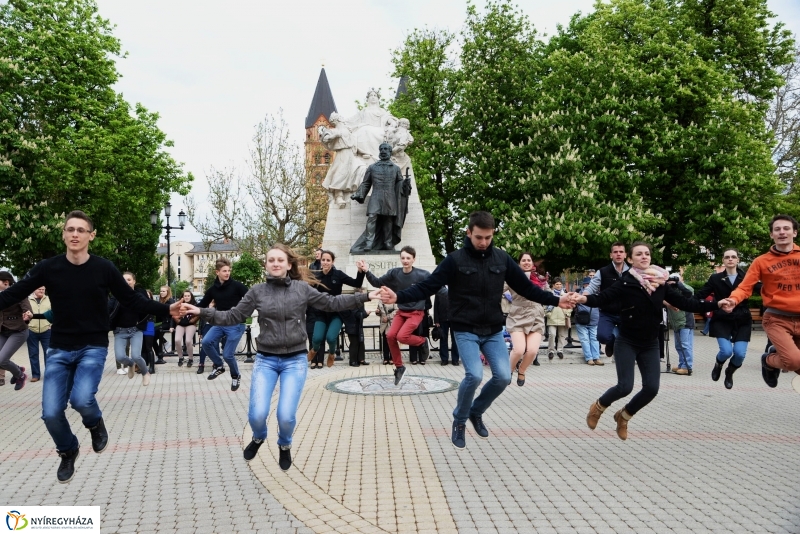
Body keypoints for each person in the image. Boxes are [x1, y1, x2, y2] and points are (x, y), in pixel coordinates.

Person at [0, 211, 181, 483]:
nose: (75, 234)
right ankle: (68, 449)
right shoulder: (49, 267)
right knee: (50, 413)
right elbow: (15, 292)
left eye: (81, 230)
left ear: (90, 236)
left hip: (92, 347)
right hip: (59, 348)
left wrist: (167, 309)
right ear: (63, 234)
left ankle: (94, 423)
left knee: (81, 400)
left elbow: (132, 301)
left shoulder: (104, 268)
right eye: (70, 229)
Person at [379, 211, 574, 450]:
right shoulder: (454, 260)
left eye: (488, 238)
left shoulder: (501, 259)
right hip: (465, 328)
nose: (483, 242)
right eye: (479, 237)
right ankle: (459, 420)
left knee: (503, 377)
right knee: (474, 375)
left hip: (492, 329)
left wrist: (556, 301)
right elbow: (427, 286)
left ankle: (476, 411)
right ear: (469, 233)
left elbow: (526, 288)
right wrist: (399, 296)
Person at [180, 244, 382, 470]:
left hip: (294, 360)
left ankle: (284, 445)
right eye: (271, 260)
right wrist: (202, 311)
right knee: (257, 415)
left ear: (288, 264)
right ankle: (258, 437)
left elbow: (331, 302)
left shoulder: (301, 289)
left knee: (285, 416)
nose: (275, 263)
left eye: (280, 260)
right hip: (266, 359)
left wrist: (365, 297)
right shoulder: (257, 291)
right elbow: (234, 315)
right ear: (266, 265)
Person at [576, 242, 718, 440]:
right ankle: (598, 407)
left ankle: (624, 416)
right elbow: (604, 297)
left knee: (652, 388)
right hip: (627, 340)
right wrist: (584, 299)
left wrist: (717, 304)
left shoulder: (660, 282)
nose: (644, 257)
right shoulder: (626, 281)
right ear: (630, 259)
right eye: (639, 254)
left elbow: (687, 303)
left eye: (647, 254)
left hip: (650, 342)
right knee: (625, 386)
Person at [719, 215, 800, 388]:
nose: (782, 232)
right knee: (793, 361)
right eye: (777, 229)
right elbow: (745, 287)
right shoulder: (761, 261)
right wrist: (733, 299)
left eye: (786, 228)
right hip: (777, 319)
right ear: (772, 235)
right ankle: (769, 361)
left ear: (794, 232)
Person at [357, 246, 430, 382]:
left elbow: (436, 285)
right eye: (403, 258)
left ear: (414, 259)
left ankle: (423, 341)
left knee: (402, 336)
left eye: (408, 258)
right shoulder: (395, 273)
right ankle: (399, 367)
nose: (405, 261)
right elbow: (377, 282)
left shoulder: (422, 274)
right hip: (401, 312)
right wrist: (366, 270)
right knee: (390, 335)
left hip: (416, 312)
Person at [694, 249, 751, 389]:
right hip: (722, 317)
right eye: (727, 257)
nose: (730, 259)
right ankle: (718, 364)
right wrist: (682, 300)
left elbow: (765, 289)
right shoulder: (716, 278)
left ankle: (729, 372)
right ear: (723, 261)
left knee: (739, 354)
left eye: (733, 257)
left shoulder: (748, 277)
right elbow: (700, 294)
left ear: (738, 260)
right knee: (726, 351)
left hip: (742, 318)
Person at [349, 142, 412, 253]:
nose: (383, 151)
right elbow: (366, 183)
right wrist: (358, 193)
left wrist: (405, 184)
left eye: (385, 149)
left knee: (388, 220)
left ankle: (388, 242)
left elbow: (399, 183)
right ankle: (369, 242)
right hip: (376, 196)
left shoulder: (396, 168)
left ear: (389, 152)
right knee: (372, 217)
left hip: (390, 197)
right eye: (381, 149)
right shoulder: (372, 167)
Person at [307, 250, 365, 368]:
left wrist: (360, 271)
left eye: (328, 260)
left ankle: (332, 353)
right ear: (320, 261)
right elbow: (307, 292)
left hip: (337, 313)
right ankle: (314, 350)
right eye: (323, 260)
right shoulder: (316, 276)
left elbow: (357, 283)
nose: (325, 262)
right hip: (321, 313)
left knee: (330, 337)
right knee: (317, 338)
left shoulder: (338, 274)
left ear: (332, 262)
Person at [198, 258, 249, 391]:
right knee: (206, 342)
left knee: (228, 354)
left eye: (228, 271)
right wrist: (187, 309)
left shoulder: (237, 286)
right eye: (224, 271)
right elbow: (202, 305)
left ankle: (235, 375)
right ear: (217, 272)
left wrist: (244, 312)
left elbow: (251, 298)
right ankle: (219, 366)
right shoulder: (213, 290)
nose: (227, 273)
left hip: (235, 324)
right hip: (220, 323)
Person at [505, 253, 547, 386]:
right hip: (517, 316)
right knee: (518, 350)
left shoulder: (540, 279)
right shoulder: (512, 277)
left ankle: (522, 370)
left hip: (536, 316)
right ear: (519, 263)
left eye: (529, 260)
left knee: (533, 351)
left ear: (533, 263)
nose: (527, 262)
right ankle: (509, 370)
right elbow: (496, 288)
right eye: (524, 260)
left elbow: (549, 295)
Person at [586, 242, 630, 357]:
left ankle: (622, 355)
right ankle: (612, 341)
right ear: (611, 255)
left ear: (625, 254)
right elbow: (591, 287)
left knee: (627, 342)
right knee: (602, 336)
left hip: (626, 312)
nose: (618, 254)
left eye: (621, 252)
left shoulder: (632, 272)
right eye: (615, 252)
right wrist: (583, 297)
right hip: (607, 312)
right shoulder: (603, 271)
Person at [109, 272, 152, 386]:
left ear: (134, 281)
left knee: (136, 355)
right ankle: (131, 364)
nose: (126, 282)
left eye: (129, 279)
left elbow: (148, 306)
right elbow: (108, 309)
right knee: (120, 357)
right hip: (119, 331)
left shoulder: (139, 294)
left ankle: (145, 372)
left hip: (135, 330)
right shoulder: (116, 295)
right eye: (124, 280)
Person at [0, 271, 32, 390]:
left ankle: (20, 375)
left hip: (18, 331)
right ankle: (18, 369)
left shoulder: (18, 293)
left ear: (6, 283)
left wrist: (28, 314)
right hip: (3, 331)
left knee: (2, 360)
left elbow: (27, 309)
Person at [665, 273, 695, 375]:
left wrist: (679, 284)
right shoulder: (670, 290)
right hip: (676, 322)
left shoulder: (685, 288)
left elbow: (690, 293)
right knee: (679, 346)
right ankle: (682, 364)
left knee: (685, 345)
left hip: (685, 321)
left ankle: (687, 366)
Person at [575, 277, 602, 366]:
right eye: (587, 284)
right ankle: (589, 358)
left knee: (595, 339)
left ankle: (596, 358)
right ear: (584, 285)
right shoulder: (578, 294)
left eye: (590, 284)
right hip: (582, 321)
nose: (589, 286)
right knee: (585, 340)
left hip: (594, 321)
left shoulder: (598, 295)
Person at [27, 286, 52, 382]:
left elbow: (54, 312)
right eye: (39, 289)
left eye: (43, 289)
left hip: (46, 330)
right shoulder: (28, 300)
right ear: (34, 289)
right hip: (31, 330)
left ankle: (49, 375)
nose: (41, 291)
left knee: (48, 353)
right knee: (33, 354)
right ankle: (35, 375)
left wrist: (51, 324)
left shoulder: (49, 299)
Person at [341, 288, 370, 367]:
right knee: (354, 343)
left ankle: (361, 359)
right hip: (352, 325)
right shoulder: (354, 302)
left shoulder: (359, 302)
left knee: (360, 342)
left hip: (358, 325)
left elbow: (359, 314)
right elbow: (357, 315)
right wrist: (366, 313)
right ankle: (353, 361)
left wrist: (364, 313)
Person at [434, 285, 459, 366]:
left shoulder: (456, 288)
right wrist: (436, 320)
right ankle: (444, 359)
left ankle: (455, 359)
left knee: (455, 340)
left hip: (454, 319)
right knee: (443, 339)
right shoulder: (439, 290)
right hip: (442, 319)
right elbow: (436, 306)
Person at [545, 280, 571, 359]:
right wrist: (548, 314)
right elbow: (545, 305)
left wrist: (567, 314)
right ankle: (551, 351)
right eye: (557, 284)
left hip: (562, 317)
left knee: (561, 335)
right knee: (552, 335)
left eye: (560, 284)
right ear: (553, 285)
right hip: (552, 318)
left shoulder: (565, 295)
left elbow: (570, 306)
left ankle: (560, 350)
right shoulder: (550, 294)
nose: (559, 285)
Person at [175, 290, 200, 368]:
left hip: (191, 324)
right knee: (177, 340)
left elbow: (197, 315)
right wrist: (178, 322)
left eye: (188, 296)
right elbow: (174, 315)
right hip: (180, 324)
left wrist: (189, 322)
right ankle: (180, 357)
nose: (186, 297)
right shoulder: (179, 305)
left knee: (188, 341)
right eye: (185, 296)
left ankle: (190, 358)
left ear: (191, 296)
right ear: (183, 297)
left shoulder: (195, 305)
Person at [154, 286, 175, 364]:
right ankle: (159, 354)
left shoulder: (170, 301)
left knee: (154, 333)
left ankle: (159, 355)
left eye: (163, 291)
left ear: (168, 292)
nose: (161, 293)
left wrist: (172, 326)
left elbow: (173, 315)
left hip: (169, 323)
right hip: (164, 322)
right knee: (152, 337)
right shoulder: (161, 301)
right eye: (161, 291)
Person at [375, 301, 397, 365]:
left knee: (392, 341)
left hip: (392, 323)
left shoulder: (393, 300)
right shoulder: (380, 302)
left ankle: (392, 358)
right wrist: (377, 312)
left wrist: (388, 317)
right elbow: (379, 312)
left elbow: (397, 311)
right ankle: (386, 358)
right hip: (384, 324)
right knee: (385, 342)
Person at [141, 290, 156, 374]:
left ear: (150, 296)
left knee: (149, 347)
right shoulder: (139, 304)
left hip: (149, 325)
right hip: (140, 326)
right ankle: (143, 367)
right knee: (142, 348)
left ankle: (152, 367)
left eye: (148, 294)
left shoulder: (152, 304)